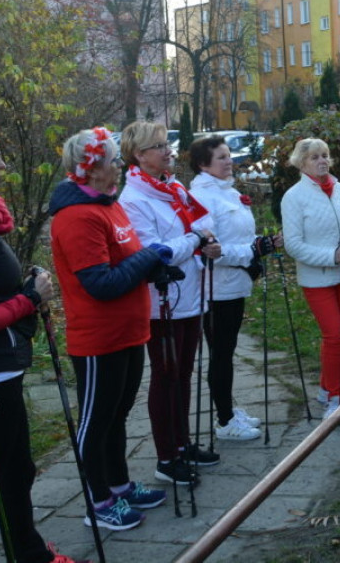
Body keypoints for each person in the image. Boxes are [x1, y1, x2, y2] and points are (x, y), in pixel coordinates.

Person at [49, 128, 172, 531]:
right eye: (114, 159)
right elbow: (102, 284)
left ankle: (119, 485)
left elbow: (129, 257)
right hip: (98, 338)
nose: (121, 164)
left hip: (129, 332)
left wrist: (156, 266)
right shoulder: (76, 217)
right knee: (96, 419)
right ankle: (97, 501)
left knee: (118, 414)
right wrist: (149, 257)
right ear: (93, 168)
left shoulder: (109, 205)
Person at [0, 137, 88, 562]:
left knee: (18, 468)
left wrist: (24, 284)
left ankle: (28, 548)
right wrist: (29, 300)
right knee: (8, 474)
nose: (1, 163)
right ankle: (29, 555)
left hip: (6, 365)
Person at [119, 121, 222, 486]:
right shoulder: (133, 200)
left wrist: (206, 241)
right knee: (165, 377)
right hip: (159, 302)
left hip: (191, 295)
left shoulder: (173, 188)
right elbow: (154, 254)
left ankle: (183, 444)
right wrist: (194, 240)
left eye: (167, 144)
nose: (168, 151)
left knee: (184, 373)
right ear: (138, 155)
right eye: (159, 146)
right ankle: (166, 456)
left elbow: (203, 223)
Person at [189, 136, 282, 438]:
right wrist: (256, 250)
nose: (229, 161)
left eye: (229, 155)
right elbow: (213, 249)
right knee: (220, 354)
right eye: (221, 157)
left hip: (234, 285)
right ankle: (225, 421)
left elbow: (240, 239)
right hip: (216, 289)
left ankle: (227, 410)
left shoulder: (226, 191)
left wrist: (259, 246)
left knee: (226, 352)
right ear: (203, 164)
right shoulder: (202, 197)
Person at [280, 138, 340, 418]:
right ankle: (334, 398)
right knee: (334, 335)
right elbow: (293, 245)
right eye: (315, 157)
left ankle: (326, 387)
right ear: (301, 162)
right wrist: (331, 256)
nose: (322, 161)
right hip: (317, 279)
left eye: (325, 155)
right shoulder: (293, 197)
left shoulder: (339, 189)